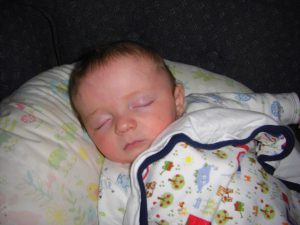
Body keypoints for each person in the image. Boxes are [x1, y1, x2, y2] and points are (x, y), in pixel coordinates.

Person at [68, 41, 300, 224]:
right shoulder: (115, 179)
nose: (123, 125)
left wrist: (296, 107)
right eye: (102, 122)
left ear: (177, 100)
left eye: (140, 103)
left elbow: (258, 105)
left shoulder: (201, 109)